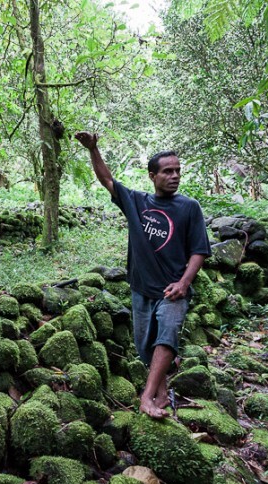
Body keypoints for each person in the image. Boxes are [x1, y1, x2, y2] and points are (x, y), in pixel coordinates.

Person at [75, 132, 211, 419]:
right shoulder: (137, 202)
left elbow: (199, 250)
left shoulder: (189, 208)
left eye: (177, 171)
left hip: (172, 289)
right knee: (143, 347)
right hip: (141, 288)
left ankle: (146, 397)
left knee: (167, 333)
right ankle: (162, 392)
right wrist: (93, 149)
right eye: (167, 171)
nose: (174, 176)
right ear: (152, 176)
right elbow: (107, 180)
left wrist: (184, 283)